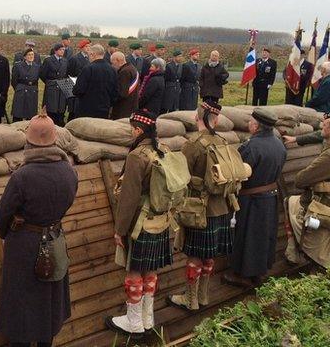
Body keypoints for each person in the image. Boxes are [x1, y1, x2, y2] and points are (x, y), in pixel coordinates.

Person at [0, 111, 78, 347]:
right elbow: (69, 200)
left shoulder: (22, 176)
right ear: (54, 140)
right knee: (49, 303)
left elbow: (2, 215)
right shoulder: (69, 171)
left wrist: (9, 232)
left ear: (28, 141)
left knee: (21, 305)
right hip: (55, 239)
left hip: (24, 246)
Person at [105, 110, 174, 335]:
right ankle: (147, 319)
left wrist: (119, 230)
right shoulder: (162, 150)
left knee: (134, 270)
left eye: (131, 128)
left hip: (139, 223)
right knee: (150, 269)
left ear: (137, 130)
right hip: (161, 220)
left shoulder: (137, 156)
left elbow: (129, 198)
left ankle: (133, 323)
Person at [167, 101, 235, 311]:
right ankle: (203, 296)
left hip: (199, 209)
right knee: (209, 255)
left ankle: (191, 299)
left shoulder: (193, 144)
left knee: (195, 256)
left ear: (197, 118)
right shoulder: (224, 141)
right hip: (222, 207)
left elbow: (180, 176)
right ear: (215, 120)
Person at [223, 108, 286, 287]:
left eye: (251, 122)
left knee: (248, 236)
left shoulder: (252, 146)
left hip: (252, 199)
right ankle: (259, 272)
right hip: (270, 198)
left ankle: (243, 275)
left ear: (257, 126)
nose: (248, 124)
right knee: (264, 235)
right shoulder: (278, 144)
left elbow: (240, 172)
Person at [287, 118, 330, 269]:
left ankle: (297, 253)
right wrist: (296, 139)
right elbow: (318, 135)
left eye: (325, 126)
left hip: (324, 208)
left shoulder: (328, 156)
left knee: (291, 203)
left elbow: (301, 180)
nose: (321, 127)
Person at [72, 44, 117, 119]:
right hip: (104, 109)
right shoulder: (112, 70)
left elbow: (78, 90)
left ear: (92, 54)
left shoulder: (88, 69)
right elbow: (115, 91)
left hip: (87, 110)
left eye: (89, 55)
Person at [39, 44, 69, 126]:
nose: (62, 51)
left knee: (60, 109)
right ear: (55, 51)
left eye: (63, 50)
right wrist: (50, 83)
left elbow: (65, 74)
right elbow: (42, 74)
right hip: (52, 88)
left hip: (61, 88)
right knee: (51, 108)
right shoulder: (48, 60)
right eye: (60, 50)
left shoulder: (65, 61)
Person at [11, 48, 40, 121]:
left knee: (30, 114)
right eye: (29, 55)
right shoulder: (18, 66)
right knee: (18, 113)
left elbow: (36, 80)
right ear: (24, 57)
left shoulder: (37, 66)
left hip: (32, 91)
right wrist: (19, 89)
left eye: (32, 55)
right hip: (21, 91)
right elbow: (14, 80)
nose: (31, 56)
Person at [111, 52, 139, 119]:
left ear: (117, 60)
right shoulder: (132, 68)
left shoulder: (124, 72)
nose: (112, 65)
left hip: (123, 108)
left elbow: (122, 93)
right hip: (132, 105)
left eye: (112, 62)